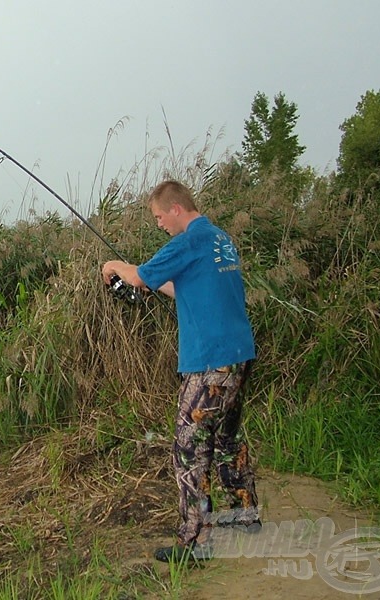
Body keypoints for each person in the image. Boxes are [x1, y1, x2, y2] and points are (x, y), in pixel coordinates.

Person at [101, 179, 260, 563]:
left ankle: (195, 542)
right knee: (226, 440)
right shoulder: (218, 238)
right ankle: (245, 514)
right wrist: (144, 281)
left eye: (159, 216)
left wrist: (112, 267)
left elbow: (138, 277)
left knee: (189, 448)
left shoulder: (188, 241)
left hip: (210, 363)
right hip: (238, 355)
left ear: (175, 208)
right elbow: (182, 286)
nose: (159, 224)